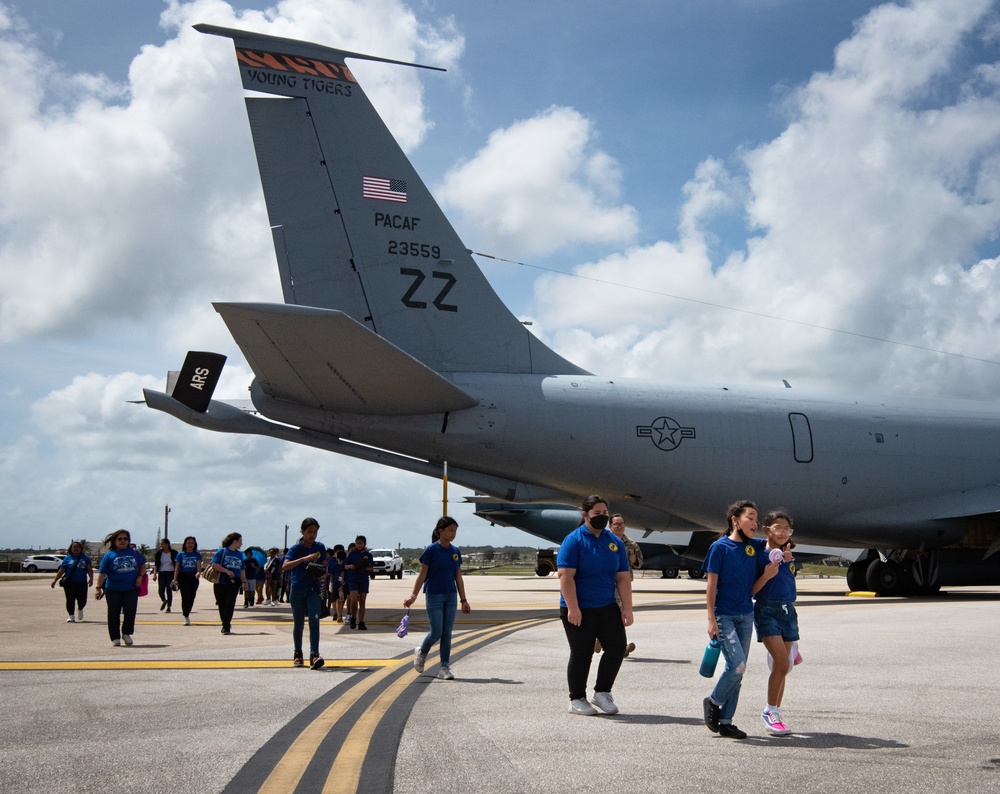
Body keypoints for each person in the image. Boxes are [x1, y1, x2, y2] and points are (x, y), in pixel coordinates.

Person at [703, 499, 777, 739]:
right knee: (738, 665)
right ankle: (713, 701)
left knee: (738, 671)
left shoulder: (754, 547)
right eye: (750, 518)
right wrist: (711, 619)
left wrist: (775, 559)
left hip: (746, 615)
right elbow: (711, 587)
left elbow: (774, 544)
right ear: (735, 520)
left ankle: (726, 721)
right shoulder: (720, 548)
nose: (754, 523)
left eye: (757, 519)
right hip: (724, 615)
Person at [557, 495, 633, 716]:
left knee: (617, 647)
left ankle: (602, 692)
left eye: (604, 514)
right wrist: (573, 608)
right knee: (582, 652)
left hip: (606, 605)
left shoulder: (614, 542)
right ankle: (576, 698)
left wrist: (627, 608)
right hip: (579, 606)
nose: (602, 517)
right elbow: (565, 576)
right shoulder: (574, 540)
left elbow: (622, 578)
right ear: (585, 515)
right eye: (597, 514)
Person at [404, 516, 471, 680]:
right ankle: (422, 651)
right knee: (436, 632)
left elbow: (458, 577)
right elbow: (422, 574)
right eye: (450, 530)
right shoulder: (431, 550)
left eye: (455, 531)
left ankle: (444, 667)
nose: (453, 534)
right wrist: (413, 596)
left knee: (447, 633)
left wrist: (464, 600)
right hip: (434, 594)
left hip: (450, 595)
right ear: (441, 531)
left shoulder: (455, 552)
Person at [752, 509, 799, 736]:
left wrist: (787, 561)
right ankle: (769, 711)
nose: (782, 532)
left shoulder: (788, 555)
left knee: (785, 667)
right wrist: (767, 574)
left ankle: (776, 712)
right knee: (781, 663)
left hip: (788, 611)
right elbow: (753, 590)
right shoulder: (759, 555)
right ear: (766, 529)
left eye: (786, 529)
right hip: (766, 610)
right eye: (777, 527)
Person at [282, 517, 328, 669]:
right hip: (298, 589)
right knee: (299, 623)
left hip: (313, 589)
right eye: (309, 532)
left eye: (315, 532)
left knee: (314, 622)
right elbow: (285, 566)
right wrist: (303, 559)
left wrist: (320, 570)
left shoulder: (320, 547)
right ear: (302, 532)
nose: (312, 535)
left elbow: (324, 568)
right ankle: (298, 653)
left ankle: (314, 655)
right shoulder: (296, 549)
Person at [95, 529, 146, 647]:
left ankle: (126, 633)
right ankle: (115, 637)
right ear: (115, 541)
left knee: (130, 612)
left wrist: (140, 577)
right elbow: (102, 573)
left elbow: (142, 565)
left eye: (125, 539)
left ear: (129, 541)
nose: (123, 541)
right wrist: (98, 588)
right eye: (120, 539)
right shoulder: (109, 555)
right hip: (113, 589)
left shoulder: (135, 552)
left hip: (131, 588)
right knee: (113, 613)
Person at [608, 514, 642, 657]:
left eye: (621, 523)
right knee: (610, 613)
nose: (620, 526)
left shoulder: (631, 544)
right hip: (607, 582)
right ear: (610, 527)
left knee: (621, 614)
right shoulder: (605, 542)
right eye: (616, 524)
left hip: (624, 584)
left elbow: (640, 563)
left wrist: (634, 560)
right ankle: (607, 641)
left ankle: (619, 645)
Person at [210, 532, 247, 635]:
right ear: (234, 541)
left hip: (234, 583)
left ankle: (226, 626)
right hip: (220, 582)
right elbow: (214, 565)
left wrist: (244, 582)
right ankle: (225, 622)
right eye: (240, 541)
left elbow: (242, 569)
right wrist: (226, 571)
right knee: (222, 604)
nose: (241, 543)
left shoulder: (240, 554)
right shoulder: (222, 551)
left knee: (230, 604)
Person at [52, 540, 93, 623]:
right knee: (70, 599)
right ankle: (71, 616)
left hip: (82, 582)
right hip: (69, 583)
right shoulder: (67, 558)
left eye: (77, 547)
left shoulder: (85, 558)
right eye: (74, 547)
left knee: (82, 600)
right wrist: (55, 580)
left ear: (81, 548)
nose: (76, 548)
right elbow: (62, 570)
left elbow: (89, 569)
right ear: (71, 549)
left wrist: (91, 579)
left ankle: (80, 608)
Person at [344, 535, 374, 630]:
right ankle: (353, 617)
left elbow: (371, 568)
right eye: (357, 543)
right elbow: (345, 565)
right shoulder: (352, 554)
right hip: (353, 579)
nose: (359, 545)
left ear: (364, 544)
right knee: (353, 599)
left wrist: (364, 567)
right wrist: (352, 566)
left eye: (360, 543)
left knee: (362, 601)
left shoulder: (368, 555)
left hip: (363, 579)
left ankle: (361, 621)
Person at [172, 536, 202, 626]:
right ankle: (186, 616)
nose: (190, 545)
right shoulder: (180, 554)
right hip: (183, 577)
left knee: (191, 597)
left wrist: (198, 572)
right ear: (185, 544)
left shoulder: (197, 555)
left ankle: (188, 611)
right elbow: (177, 568)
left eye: (192, 543)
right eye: (188, 543)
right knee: (185, 597)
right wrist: (175, 579)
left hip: (193, 577)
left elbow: (199, 566)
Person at [152, 538, 177, 613]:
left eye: (163, 544)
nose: (161, 545)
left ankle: (169, 606)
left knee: (169, 589)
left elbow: (178, 563)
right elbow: (156, 564)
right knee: (160, 590)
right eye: (161, 544)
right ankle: (164, 600)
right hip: (162, 573)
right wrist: (154, 574)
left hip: (171, 573)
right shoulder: (159, 553)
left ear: (167, 544)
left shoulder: (173, 553)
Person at [326, 545, 346, 622]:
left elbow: (343, 575)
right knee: (335, 600)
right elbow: (331, 575)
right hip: (335, 585)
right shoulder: (332, 564)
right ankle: (337, 614)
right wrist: (330, 584)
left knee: (340, 600)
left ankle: (339, 614)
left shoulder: (344, 566)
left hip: (341, 586)